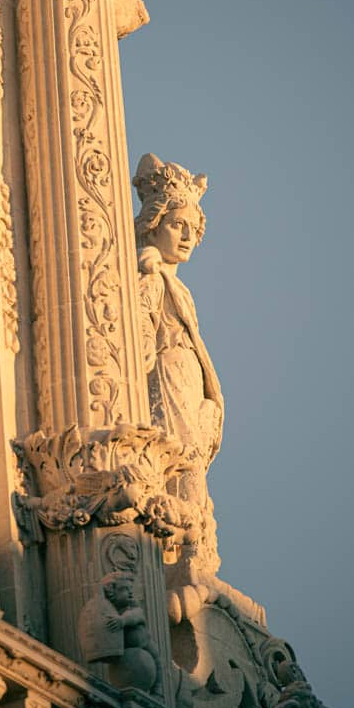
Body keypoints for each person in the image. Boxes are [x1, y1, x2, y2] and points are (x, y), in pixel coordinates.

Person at [133, 153, 224, 585]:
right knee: (179, 461)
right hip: (167, 377)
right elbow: (135, 338)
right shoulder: (150, 277)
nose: (188, 235)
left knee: (191, 464)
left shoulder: (176, 284)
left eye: (193, 228)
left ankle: (196, 555)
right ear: (154, 222)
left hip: (187, 382)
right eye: (177, 225)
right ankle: (183, 554)